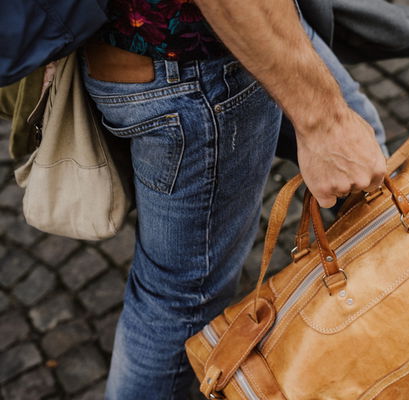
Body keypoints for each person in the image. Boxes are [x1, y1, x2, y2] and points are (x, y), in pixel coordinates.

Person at [81, 0, 387, 397]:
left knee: (369, 159)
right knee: (181, 301)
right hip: (205, 63)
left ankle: (378, 326)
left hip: (224, 40)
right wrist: (325, 120)